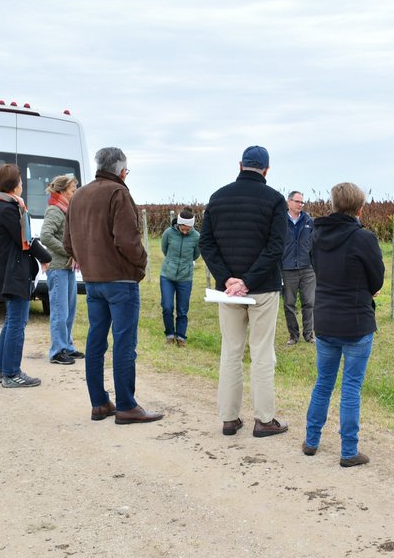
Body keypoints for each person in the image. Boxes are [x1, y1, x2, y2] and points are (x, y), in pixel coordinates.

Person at [63, 147, 163, 424]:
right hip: (120, 280)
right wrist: (141, 263)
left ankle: (99, 402)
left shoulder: (79, 194)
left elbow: (67, 242)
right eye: (126, 171)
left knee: (96, 340)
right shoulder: (118, 193)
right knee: (124, 342)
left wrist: (86, 260)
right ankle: (126, 405)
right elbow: (127, 239)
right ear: (121, 170)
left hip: (93, 280)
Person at [197, 145, 289, 438]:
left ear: (240, 165)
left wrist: (227, 280)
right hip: (261, 289)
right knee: (262, 352)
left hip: (229, 292)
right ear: (266, 170)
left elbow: (207, 244)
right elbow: (275, 246)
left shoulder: (218, 198)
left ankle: (229, 418)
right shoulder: (274, 200)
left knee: (231, 351)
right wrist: (247, 281)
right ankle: (263, 419)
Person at [302, 182, 384, 467]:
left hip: (324, 318)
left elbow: (317, 270)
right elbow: (377, 280)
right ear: (360, 209)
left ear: (333, 205)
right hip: (356, 322)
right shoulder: (364, 238)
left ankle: (311, 441)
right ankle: (349, 451)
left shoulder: (316, 234)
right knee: (350, 387)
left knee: (323, 383)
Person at [0, 164, 52, 388]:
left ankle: (0, 370)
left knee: (11, 321)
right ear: (13, 186)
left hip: (7, 271)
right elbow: (26, 241)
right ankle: (12, 373)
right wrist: (46, 257)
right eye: (21, 182)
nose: (23, 185)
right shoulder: (7, 209)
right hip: (12, 273)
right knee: (17, 323)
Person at [39, 174, 84, 365]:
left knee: (70, 310)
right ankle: (57, 350)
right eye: (73, 190)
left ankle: (68, 346)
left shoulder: (66, 210)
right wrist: (68, 250)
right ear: (62, 191)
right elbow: (46, 236)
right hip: (58, 267)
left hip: (68, 267)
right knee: (60, 311)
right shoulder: (54, 211)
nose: (75, 194)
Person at [159, 208, 200, 347]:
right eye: (183, 228)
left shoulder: (196, 237)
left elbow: (195, 255)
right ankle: (169, 334)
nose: (185, 231)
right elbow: (164, 249)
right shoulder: (168, 233)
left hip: (185, 277)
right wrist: (172, 262)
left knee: (182, 309)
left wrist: (185, 265)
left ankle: (181, 337)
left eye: (188, 229)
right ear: (179, 224)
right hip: (167, 276)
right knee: (167, 306)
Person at [280, 190, 316, 345]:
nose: (300, 204)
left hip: (307, 268)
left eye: (302, 202)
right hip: (288, 268)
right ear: (289, 202)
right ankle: (293, 335)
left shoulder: (309, 221)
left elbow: (315, 244)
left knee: (310, 302)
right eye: (297, 201)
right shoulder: (280, 221)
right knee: (289, 303)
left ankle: (309, 334)